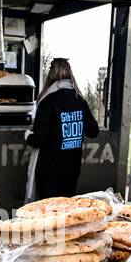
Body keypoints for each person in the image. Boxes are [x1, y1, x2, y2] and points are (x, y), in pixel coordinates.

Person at [25, 57, 99, 199]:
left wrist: (27, 135)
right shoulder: (80, 101)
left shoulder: (47, 101)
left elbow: (40, 139)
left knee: (48, 214)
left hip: (49, 172)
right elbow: (93, 131)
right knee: (66, 213)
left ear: (50, 75)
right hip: (72, 170)